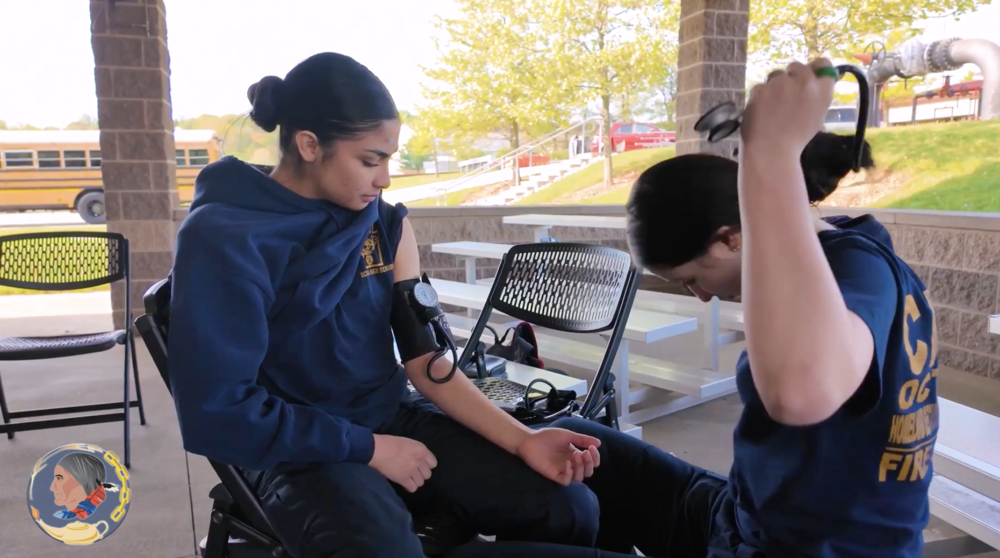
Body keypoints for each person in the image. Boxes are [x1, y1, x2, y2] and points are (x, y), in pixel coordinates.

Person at [447, 58, 938, 558]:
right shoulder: (846, 250)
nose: (700, 296)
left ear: (731, 238)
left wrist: (770, 158)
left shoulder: (857, 274)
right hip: (747, 518)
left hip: (806, 549)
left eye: (693, 279)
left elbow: (799, 393)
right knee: (575, 442)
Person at [167, 52, 604, 558]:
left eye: (389, 159)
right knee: (380, 546)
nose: (385, 180)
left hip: (387, 412)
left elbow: (425, 359)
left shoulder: (383, 224)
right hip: (289, 444)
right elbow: (217, 413)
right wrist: (370, 450)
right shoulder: (225, 238)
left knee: (567, 507)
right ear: (309, 145)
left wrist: (523, 439)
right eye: (370, 160)